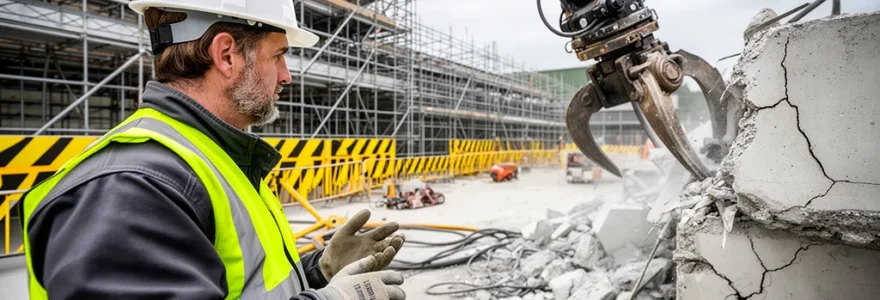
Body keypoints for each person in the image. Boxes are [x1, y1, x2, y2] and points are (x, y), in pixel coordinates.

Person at [18, 0, 406, 299]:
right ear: (226, 55)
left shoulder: (208, 159)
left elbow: (243, 285)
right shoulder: (131, 189)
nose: (286, 75)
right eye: (279, 55)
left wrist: (317, 272)